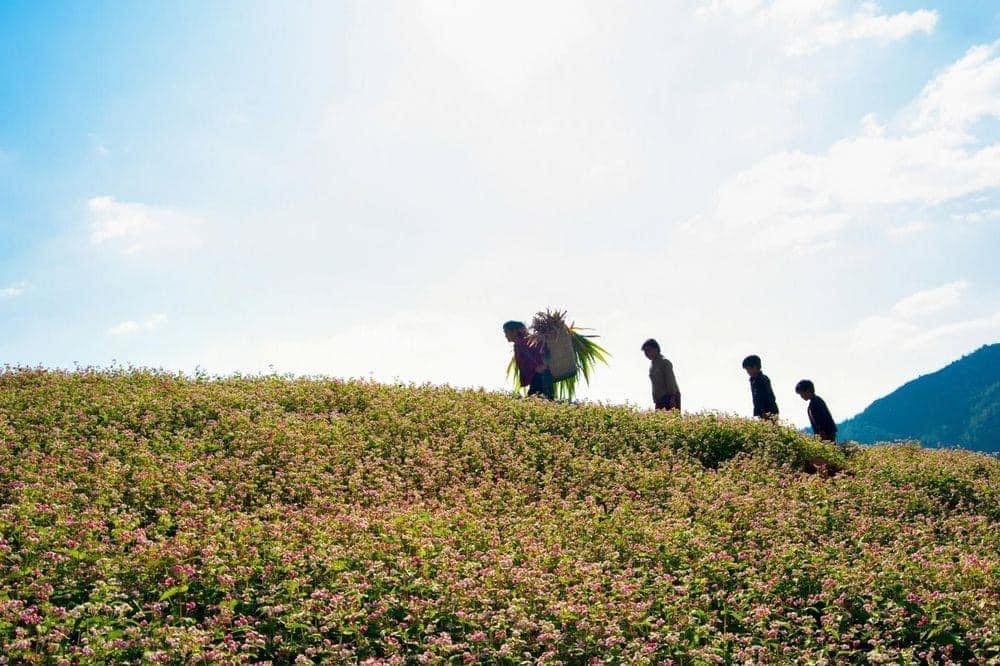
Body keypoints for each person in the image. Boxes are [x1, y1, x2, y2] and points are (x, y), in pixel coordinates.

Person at [503, 320, 554, 399]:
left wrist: (542, 366)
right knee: (538, 402)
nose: (505, 335)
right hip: (537, 378)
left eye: (506, 332)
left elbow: (544, 351)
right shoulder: (518, 345)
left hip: (541, 378)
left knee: (537, 402)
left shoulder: (528, 341)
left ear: (514, 331)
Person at [641, 338, 681, 411]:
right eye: (645, 352)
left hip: (669, 398)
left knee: (670, 420)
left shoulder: (664, 362)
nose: (646, 354)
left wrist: (672, 398)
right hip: (659, 399)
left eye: (648, 350)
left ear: (656, 349)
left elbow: (670, 381)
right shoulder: (653, 365)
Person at [742, 354, 778, 420]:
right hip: (760, 413)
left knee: (770, 429)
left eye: (748, 369)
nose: (747, 372)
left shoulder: (763, 379)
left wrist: (766, 412)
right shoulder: (753, 380)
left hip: (769, 412)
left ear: (754, 367)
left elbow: (769, 397)